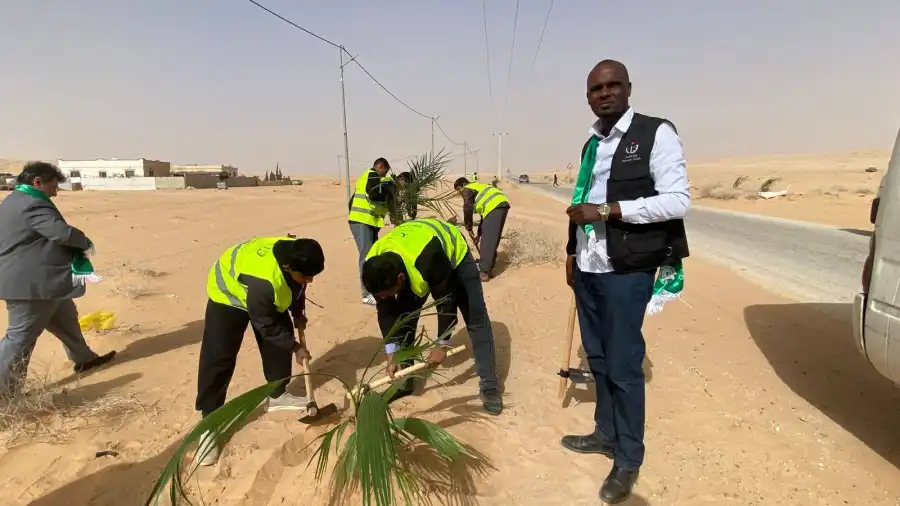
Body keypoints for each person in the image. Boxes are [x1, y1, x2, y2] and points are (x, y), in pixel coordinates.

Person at [562, 60, 690, 503]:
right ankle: (605, 432)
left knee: (623, 364)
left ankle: (629, 457)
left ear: (629, 88)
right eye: (596, 88)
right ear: (588, 96)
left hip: (628, 269)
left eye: (613, 85)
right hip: (589, 267)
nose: (605, 93)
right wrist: (571, 252)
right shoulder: (591, 144)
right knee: (597, 358)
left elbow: (677, 201)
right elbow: (582, 197)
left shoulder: (656, 133)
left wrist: (611, 210)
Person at [195, 236, 325, 465]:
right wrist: (295, 347)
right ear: (288, 267)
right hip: (229, 292)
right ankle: (209, 422)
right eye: (306, 276)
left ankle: (277, 394)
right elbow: (264, 324)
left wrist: (297, 312)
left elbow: (297, 286)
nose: (310, 280)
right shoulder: (265, 283)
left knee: (279, 338)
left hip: (260, 290)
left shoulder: (296, 254)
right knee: (219, 355)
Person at [361, 218, 502, 415]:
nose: (384, 299)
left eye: (387, 293)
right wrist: (392, 352)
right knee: (404, 318)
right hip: (412, 253)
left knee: (475, 316)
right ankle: (405, 381)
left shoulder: (429, 257)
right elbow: (385, 313)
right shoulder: (374, 264)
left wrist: (442, 343)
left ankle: (489, 385)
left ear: (400, 279)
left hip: (451, 252)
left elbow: (446, 300)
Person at [0, 162, 116, 396]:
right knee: (20, 337)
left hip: (41, 282)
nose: (56, 192)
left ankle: (83, 358)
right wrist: (84, 241)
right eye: (53, 186)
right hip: (31, 285)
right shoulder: (32, 204)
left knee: (66, 316)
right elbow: (60, 232)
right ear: (37, 183)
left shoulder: (12, 201)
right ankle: (4, 394)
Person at [348, 158, 395, 305]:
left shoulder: (369, 178)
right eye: (384, 172)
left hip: (367, 223)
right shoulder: (372, 174)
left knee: (373, 256)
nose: (383, 175)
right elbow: (374, 194)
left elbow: (352, 201)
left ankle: (374, 289)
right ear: (380, 167)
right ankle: (366, 294)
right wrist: (387, 190)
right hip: (362, 222)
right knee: (366, 257)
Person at [453, 177, 510, 281]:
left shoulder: (468, 188)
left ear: (462, 186)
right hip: (501, 205)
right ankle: (489, 267)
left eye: (458, 190)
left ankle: (483, 272)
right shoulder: (478, 187)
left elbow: (467, 208)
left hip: (495, 206)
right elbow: (484, 219)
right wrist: (479, 234)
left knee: (487, 241)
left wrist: (469, 227)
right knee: (492, 237)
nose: (459, 193)